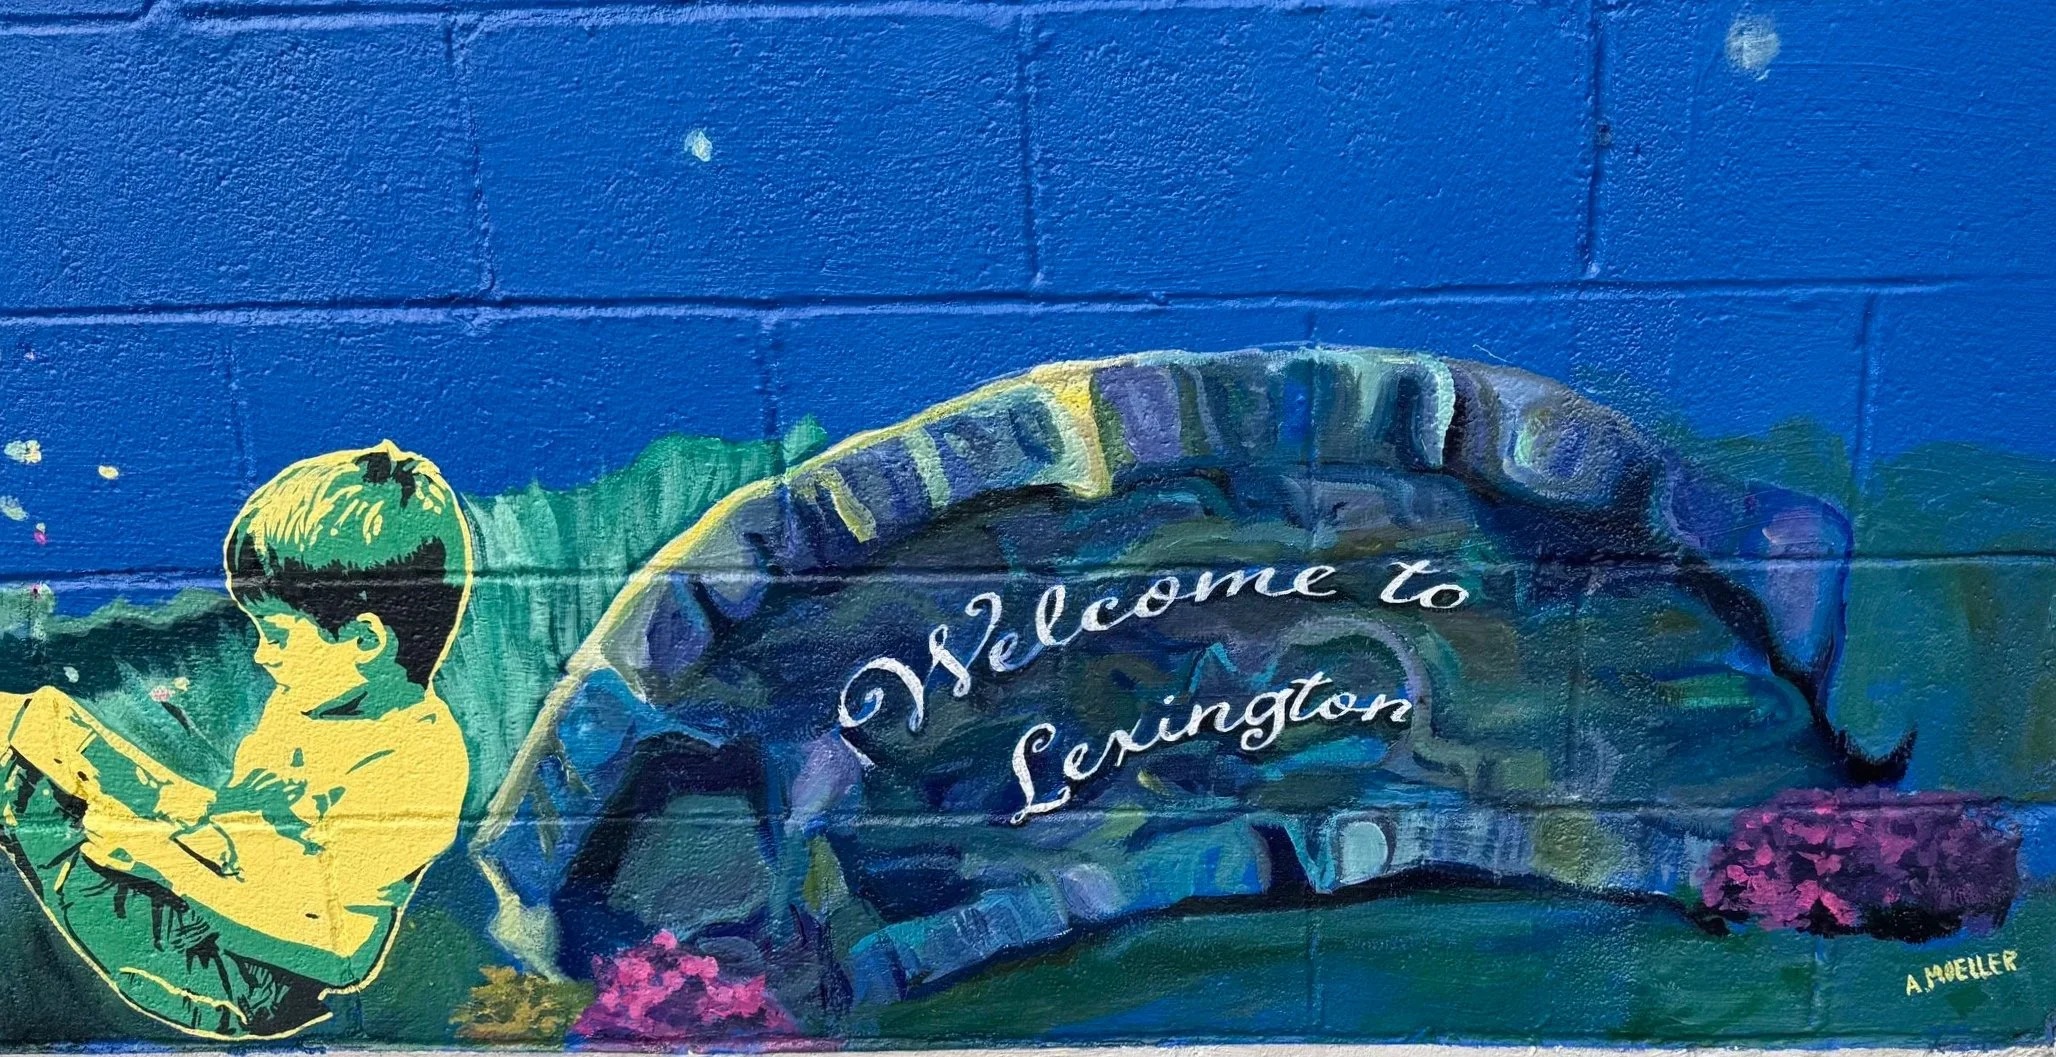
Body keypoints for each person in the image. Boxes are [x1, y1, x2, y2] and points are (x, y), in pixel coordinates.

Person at [0, 442, 474, 1039]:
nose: (261, 654)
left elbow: (338, 953)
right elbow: (242, 827)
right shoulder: (316, 701)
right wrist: (169, 815)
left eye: (275, 633)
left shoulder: (413, 760)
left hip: (234, 978)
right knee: (45, 722)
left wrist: (156, 859)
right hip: (205, 890)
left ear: (364, 641)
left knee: (21, 779)